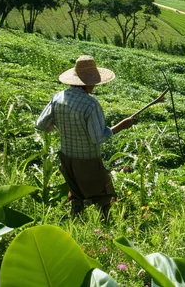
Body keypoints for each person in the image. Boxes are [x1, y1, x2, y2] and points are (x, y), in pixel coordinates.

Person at [36, 55, 134, 219]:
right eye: (94, 81)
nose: (95, 84)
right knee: (103, 194)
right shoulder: (91, 105)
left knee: (76, 193)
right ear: (87, 82)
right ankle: (105, 226)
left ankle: (75, 221)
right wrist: (120, 126)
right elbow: (97, 138)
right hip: (88, 160)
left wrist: (60, 128)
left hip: (66, 156)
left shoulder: (58, 97)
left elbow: (41, 124)